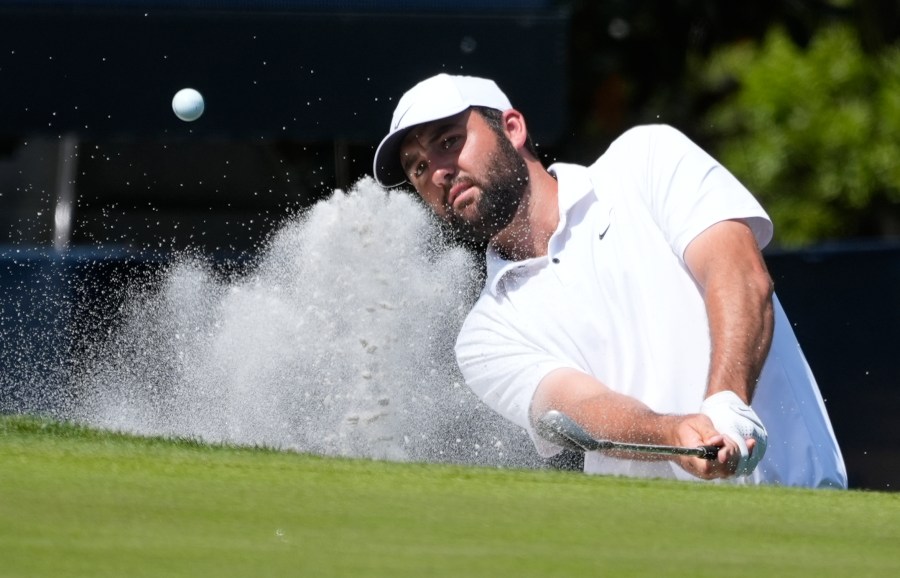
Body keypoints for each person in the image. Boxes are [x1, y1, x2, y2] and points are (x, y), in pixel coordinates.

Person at [372, 73, 847, 488]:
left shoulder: (646, 158)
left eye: (450, 141)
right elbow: (580, 407)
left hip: (802, 512)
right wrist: (677, 434)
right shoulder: (482, 338)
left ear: (512, 128)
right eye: (417, 167)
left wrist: (727, 403)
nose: (437, 170)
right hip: (655, 550)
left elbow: (740, 274)